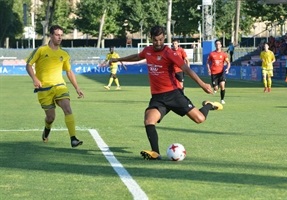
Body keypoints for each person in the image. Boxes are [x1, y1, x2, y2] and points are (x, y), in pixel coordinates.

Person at [109, 25, 223, 160]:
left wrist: (203, 85)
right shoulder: (148, 51)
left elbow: (186, 69)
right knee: (149, 120)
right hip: (158, 97)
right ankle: (155, 153)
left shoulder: (169, 53)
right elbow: (137, 57)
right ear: (151, 38)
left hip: (174, 94)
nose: (158, 43)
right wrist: (118, 59)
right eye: (156, 40)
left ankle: (209, 105)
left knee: (200, 119)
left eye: (161, 40)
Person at [26, 25, 84, 148]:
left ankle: (73, 138)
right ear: (51, 36)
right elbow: (28, 65)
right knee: (50, 117)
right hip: (44, 89)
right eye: (57, 35)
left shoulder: (64, 54)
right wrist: (35, 79)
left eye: (61, 35)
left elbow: (69, 72)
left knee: (67, 108)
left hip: (59, 86)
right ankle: (47, 129)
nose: (59, 37)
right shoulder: (41, 50)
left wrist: (77, 88)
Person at [207, 40, 231, 105]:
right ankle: (215, 88)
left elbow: (228, 63)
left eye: (219, 44)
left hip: (221, 72)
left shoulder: (223, 54)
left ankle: (222, 99)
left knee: (222, 85)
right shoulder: (212, 54)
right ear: (215, 45)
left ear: (221, 45)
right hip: (214, 73)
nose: (218, 45)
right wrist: (209, 69)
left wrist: (227, 69)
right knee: (216, 88)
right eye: (216, 44)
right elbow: (208, 62)